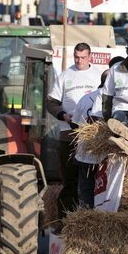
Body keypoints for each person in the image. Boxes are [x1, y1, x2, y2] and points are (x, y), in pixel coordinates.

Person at [47, 43, 102, 217]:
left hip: (91, 135)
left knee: (89, 178)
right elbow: (51, 102)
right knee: (69, 180)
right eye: (76, 57)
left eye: (83, 57)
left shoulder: (98, 75)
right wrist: (63, 115)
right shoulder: (65, 75)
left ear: (90, 57)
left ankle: (89, 215)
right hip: (68, 134)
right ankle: (64, 220)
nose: (79, 61)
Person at [72, 70, 107, 209]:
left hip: (86, 153)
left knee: (86, 189)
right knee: (103, 190)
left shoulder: (85, 99)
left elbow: (75, 124)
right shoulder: (115, 99)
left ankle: (87, 213)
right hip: (104, 155)